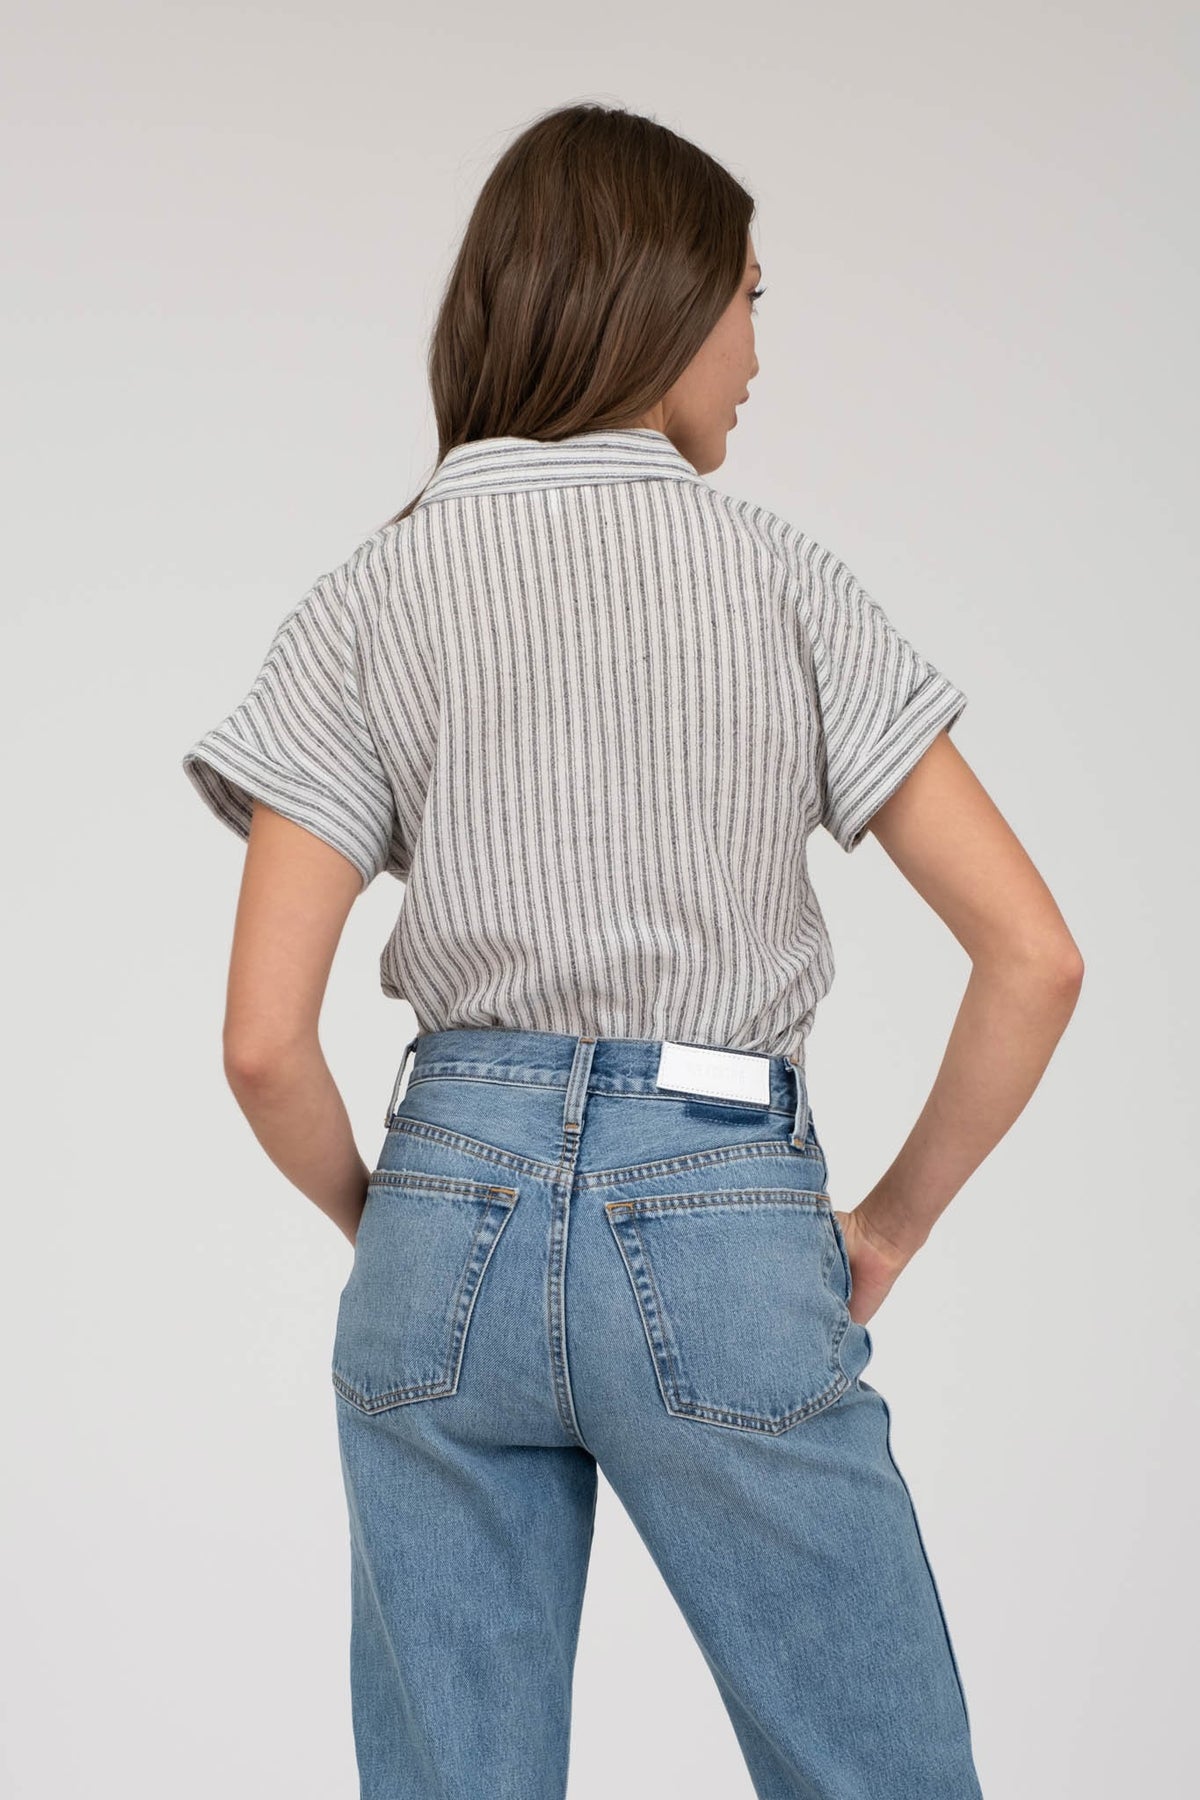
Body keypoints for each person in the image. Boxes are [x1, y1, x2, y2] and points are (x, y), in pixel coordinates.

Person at [182, 100, 1083, 1800]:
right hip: (719, 1201)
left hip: (444, 1204)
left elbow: (260, 1044)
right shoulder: (781, 582)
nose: (758, 354)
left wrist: (413, 1221)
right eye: (750, 300)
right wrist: (888, 1227)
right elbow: (1033, 956)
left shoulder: (370, 595)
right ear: (661, 306)